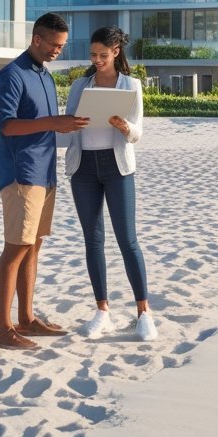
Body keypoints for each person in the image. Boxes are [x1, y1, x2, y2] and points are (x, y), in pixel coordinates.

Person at [0, 12, 89, 351]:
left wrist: (64, 125)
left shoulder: (44, 76)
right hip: (21, 175)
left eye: (62, 46)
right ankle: (2, 330)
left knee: (33, 246)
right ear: (37, 39)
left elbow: (46, 125)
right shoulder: (11, 76)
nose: (58, 51)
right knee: (15, 248)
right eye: (54, 45)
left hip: (45, 173)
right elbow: (7, 126)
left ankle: (26, 319)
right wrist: (52, 122)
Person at [63, 26, 156, 341]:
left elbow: (138, 133)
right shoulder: (79, 85)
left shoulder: (131, 85)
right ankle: (102, 311)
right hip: (83, 168)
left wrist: (124, 126)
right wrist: (72, 123)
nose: (97, 60)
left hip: (117, 168)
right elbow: (67, 126)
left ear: (116, 52)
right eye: (93, 55)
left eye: (103, 55)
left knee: (128, 240)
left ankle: (144, 314)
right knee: (93, 240)